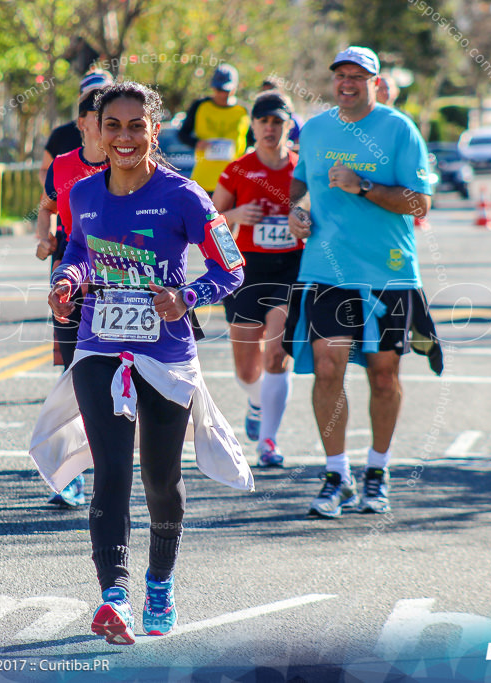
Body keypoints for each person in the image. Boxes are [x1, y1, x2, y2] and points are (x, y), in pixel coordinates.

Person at [29, 82, 252, 645]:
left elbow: (232, 268)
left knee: (160, 476)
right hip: (98, 343)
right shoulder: (81, 193)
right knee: (111, 471)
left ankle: (159, 582)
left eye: (136, 126)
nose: (124, 137)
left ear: (155, 130)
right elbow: (79, 251)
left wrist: (187, 297)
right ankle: (114, 596)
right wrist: (67, 280)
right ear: (96, 131)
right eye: (113, 126)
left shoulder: (185, 196)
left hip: (166, 353)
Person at [285, 46, 435, 518]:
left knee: (384, 375)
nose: (347, 83)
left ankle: (378, 469)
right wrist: (296, 213)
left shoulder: (398, 129)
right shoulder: (316, 129)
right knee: (327, 368)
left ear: (375, 82)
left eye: (358, 77)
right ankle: (337, 475)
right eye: (341, 76)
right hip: (325, 269)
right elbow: (299, 186)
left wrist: (364, 185)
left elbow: (420, 205)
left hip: (388, 272)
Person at [212, 90, 301, 467]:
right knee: (247, 369)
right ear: (253, 125)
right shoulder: (237, 169)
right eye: (264, 121)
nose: (270, 128)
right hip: (246, 269)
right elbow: (211, 219)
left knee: (278, 353)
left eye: (277, 121)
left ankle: (268, 441)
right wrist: (237, 214)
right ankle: (255, 399)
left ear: (288, 125)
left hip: (291, 268)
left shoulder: (303, 167)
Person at [34, 83, 111, 508]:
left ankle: (115, 462)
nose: (110, 128)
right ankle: (75, 474)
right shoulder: (63, 165)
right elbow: (46, 206)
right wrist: (44, 237)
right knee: (75, 377)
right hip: (69, 271)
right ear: (82, 123)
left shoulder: (126, 164)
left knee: (113, 375)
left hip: (119, 278)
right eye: (102, 119)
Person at [178, 64, 250, 194]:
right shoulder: (200, 106)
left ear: (235, 88)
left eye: (227, 90)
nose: (223, 94)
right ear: (212, 87)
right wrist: (196, 143)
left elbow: (252, 141)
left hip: (234, 182)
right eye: (219, 90)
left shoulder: (244, 111)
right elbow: (182, 134)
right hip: (204, 181)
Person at [40, 70, 114, 176]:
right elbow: (45, 169)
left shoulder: (122, 137)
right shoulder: (61, 134)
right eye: (91, 95)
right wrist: (55, 191)